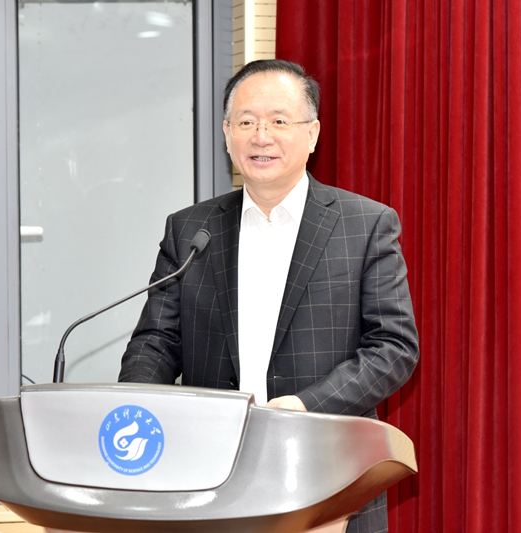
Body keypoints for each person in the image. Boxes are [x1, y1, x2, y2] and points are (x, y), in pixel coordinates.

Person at [119, 59, 419, 533]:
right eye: (246, 122)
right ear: (226, 134)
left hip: (326, 474)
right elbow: (156, 341)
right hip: (208, 474)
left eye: (279, 121)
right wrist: (134, 409)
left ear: (312, 134)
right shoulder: (191, 228)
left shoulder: (365, 225)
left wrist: (305, 406)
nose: (261, 137)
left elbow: (393, 347)